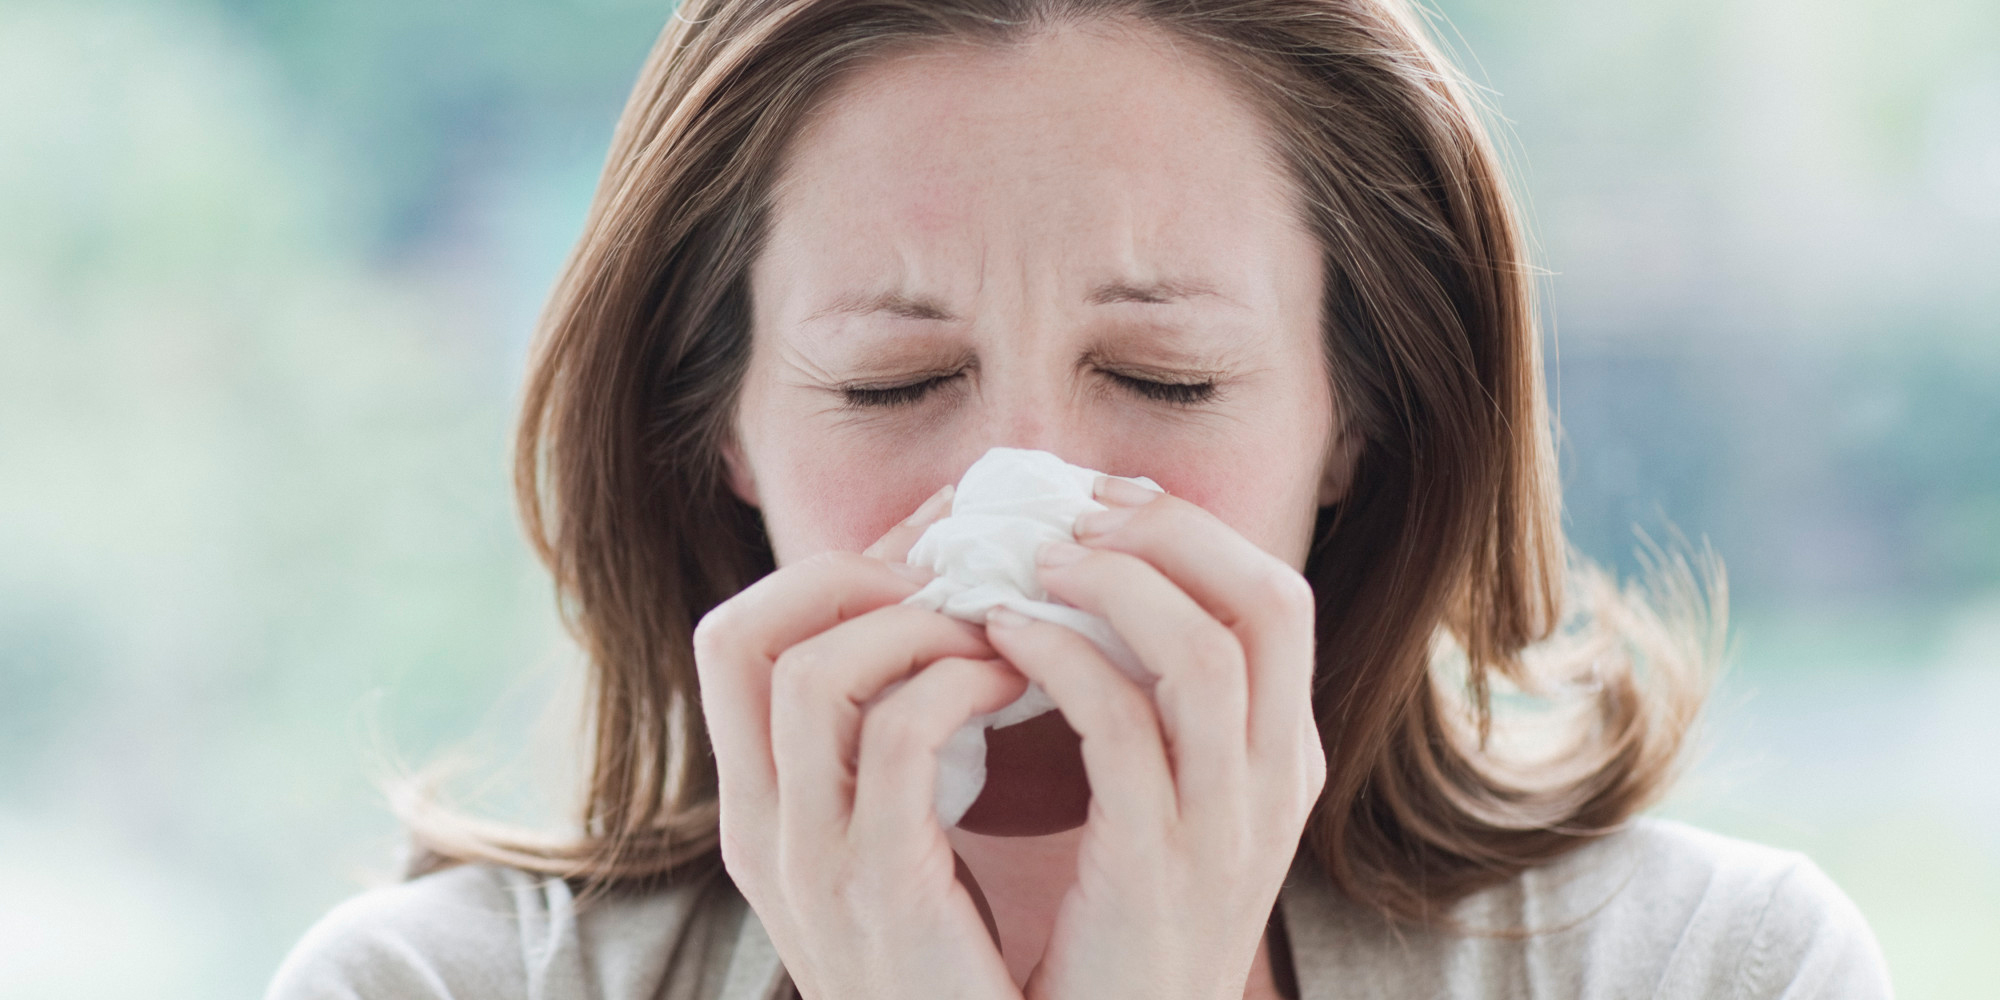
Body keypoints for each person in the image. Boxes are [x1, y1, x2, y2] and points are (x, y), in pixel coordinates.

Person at [267, 1, 1894, 997]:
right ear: (723, 431)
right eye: (894, 384)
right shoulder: (427, 991)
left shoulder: (1706, 973)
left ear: (1354, 421)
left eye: (1168, 379)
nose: (1020, 491)